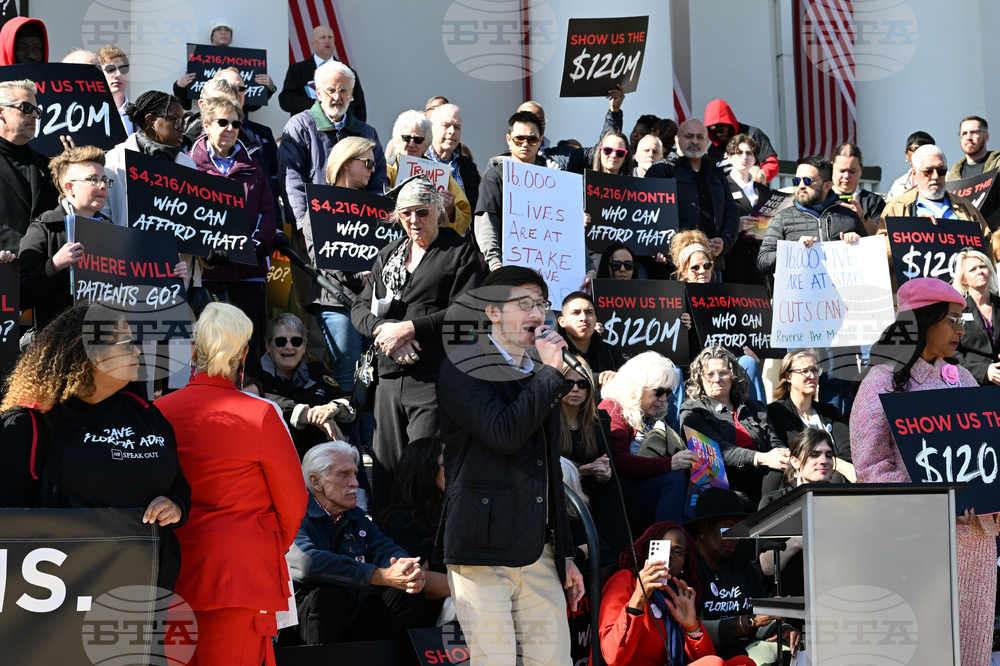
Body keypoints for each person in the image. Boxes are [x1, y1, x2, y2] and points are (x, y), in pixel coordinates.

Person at [437, 265, 584, 666]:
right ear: (492, 312)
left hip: (538, 549)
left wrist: (566, 554)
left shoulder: (539, 372)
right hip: (481, 548)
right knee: (495, 661)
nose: (536, 313)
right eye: (523, 303)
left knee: (555, 660)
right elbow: (503, 433)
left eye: (541, 303)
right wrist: (552, 373)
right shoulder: (464, 365)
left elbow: (549, 468)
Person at [851, 277, 998, 665]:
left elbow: (990, 455)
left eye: (963, 319)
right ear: (924, 321)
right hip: (918, 539)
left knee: (971, 651)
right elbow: (870, 466)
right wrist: (933, 504)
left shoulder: (963, 377)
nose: (961, 329)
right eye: (953, 319)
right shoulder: (881, 382)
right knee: (926, 651)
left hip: (976, 540)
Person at [155, 303, 307, 666]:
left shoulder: (160, 411)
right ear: (243, 354)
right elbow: (293, 503)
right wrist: (260, 544)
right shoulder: (260, 414)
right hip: (241, 577)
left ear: (194, 350)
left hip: (174, 571)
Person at [0, 303, 190, 591]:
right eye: (126, 343)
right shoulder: (29, 425)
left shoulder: (145, 412)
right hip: (64, 604)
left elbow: (177, 482)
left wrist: (175, 506)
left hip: (146, 598)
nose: (137, 351)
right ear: (93, 355)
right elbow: (10, 523)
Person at [351, 175, 482, 510]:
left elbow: (467, 315)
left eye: (421, 212)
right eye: (406, 213)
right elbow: (359, 308)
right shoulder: (390, 253)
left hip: (433, 378)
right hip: (388, 377)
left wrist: (410, 328)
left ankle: (428, 552)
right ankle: (388, 549)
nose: (414, 220)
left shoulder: (460, 253)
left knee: (426, 468)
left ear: (438, 209)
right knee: (386, 469)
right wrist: (388, 333)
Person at [19, 145, 187, 331]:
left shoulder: (115, 233)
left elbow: (135, 295)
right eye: (94, 179)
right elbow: (20, 296)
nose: (103, 186)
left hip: (108, 342)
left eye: (106, 180)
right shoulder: (46, 228)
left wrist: (169, 277)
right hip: (62, 345)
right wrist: (55, 265)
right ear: (70, 187)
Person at [289, 441, 426, 644]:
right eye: (344, 474)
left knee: (408, 591)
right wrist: (377, 575)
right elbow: (307, 563)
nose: (355, 482)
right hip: (302, 619)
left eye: (355, 473)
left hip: (351, 612)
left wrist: (405, 568)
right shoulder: (294, 513)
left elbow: (384, 547)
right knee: (331, 593)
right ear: (316, 482)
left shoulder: (355, 516)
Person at [188, 95, 277, 355]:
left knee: (247, 340)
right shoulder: (188, 164)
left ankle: (248, 387)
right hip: (206, 270)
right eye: (223, 122)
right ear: (206, 125)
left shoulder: (254, 165)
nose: (230, 129)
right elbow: (185, 214)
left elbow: (267, 212)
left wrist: (247, 249)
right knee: (210, 341)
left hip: (248, 269)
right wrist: (206, 250)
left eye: (236, 124)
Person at [599, 520, 754, 666]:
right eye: (663, 548)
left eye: (678, 552)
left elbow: (705, 657)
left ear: (683, 566)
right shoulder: (626, 580)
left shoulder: (677, 594)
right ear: (648, 551)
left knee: (744, 662)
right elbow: (613, 658)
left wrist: (692, 627)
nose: (670, 555)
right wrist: (638, 597)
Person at [279, 60, 385, 251]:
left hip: (357, 231)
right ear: (318, 93)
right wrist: (304, 227)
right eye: (331, 90)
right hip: (312, 230)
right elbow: (292, 181)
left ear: (352, 94)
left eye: (343, 90)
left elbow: (378, 184)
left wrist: (373, 227)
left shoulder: (367, 133)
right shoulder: (299, 127)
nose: (337, 97)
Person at [688, 487, 797, 665]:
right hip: (705, 653)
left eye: (739, 530)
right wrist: (748, 622)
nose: (736, 538)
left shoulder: (740, 561)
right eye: (729, 528)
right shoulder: (686, 564)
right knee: (768, 656)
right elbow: (693, 628)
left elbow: (760, 614)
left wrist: (782, 629)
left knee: (792, 651)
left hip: (744, 644)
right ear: (704, 525)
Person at [679, 347, 788, 507]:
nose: (717, 379)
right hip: (724, 484)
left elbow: (774, 442)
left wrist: (784, 456)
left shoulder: (754, 407)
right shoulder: (692, 410)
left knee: (783, 471)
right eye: (710, 374)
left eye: (723, 373)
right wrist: (761, 458)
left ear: (733, 376)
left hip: (760, 479)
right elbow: (717, 450)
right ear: (700, 378)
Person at [598, 351, 695, 528]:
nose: (664, 399)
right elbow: (618, 461)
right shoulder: (613, 406)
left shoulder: (657, 414)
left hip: (652, 488)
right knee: (675, 480)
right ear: (637, 387)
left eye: (668, 393)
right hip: (625, 494)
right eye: (658, 392)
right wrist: (669, 464)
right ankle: (667, 547)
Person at [254, 313, 356, 459]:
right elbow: (268, 403)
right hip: (279, 454)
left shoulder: (316, 371)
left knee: (345, 428)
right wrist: (310, 415)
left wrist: (335, 409)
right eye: (281, 341)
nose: (288, 346)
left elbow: (346, 399)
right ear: (268, 345)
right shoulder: (257, 377)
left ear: (304, 346)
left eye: (296, 341)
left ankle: (351, 481)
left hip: (316, 452)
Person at [647, 119, 740, 277]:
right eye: (689, 136)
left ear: (707, 141)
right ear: (677, 140)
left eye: (700, 137)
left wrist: (725, 242)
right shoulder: (661, 171)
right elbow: (648, 217)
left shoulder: (716, 172)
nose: (694, 141)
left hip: (711, 266)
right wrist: (659, 248)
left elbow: (731, 212)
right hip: (673, 266)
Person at [559, 354, 630, 554]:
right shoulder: (548, 419)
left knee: (613, 491)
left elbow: (608, 460)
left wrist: (604, 470)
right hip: (562, 488)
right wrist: (582, 470)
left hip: (594, 486)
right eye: (568, 383)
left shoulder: (598, 419)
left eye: (582, 384)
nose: (575, 389)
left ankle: (620, 558)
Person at [757, 429, 838, 598]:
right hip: (793, 603)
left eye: (829, 455)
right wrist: (798, 541)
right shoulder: (774, 503)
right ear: (794, 461)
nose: (824, 461)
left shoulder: (843, 502)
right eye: (814, 455)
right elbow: (766, 566)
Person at [379, 438, 451, 627]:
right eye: (447, 464)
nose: (456, 470)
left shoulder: (462, 512)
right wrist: (484, 588)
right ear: (426, 471)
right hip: (431, 627)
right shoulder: (401, 520)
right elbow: (421, 581)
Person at [757, 155, 865, 275]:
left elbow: (870, 259)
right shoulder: (782, 218)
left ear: (827, 186)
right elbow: (763, 261)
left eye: (808, 181)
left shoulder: (849, 216)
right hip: (800, 292)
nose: (801, 185)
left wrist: (859, 243)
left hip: (841, 292)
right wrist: (794, 251)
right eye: (797, 181)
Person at [103, 91, 196, 225]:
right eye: (176, 120)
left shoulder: (188, 165)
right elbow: (103, 215)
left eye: (183, 121)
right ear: (151, 120)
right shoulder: (112, 161)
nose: (182, 128)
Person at [766, 349, 854, 483]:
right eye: (805, 371)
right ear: (788, 376)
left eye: (814, 370)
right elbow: (801, 452)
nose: (812, 376)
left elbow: (849, 450)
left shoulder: (829, 411)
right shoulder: (778, 410)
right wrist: (842, 466)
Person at [385, 109, 471, 235]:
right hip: (392, 238)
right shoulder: (386, 169)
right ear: (397, 140)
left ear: (427, 144)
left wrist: (451, 210)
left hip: (432, 245)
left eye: (418, 140)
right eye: (406, 138)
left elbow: (465, 217)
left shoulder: (441, 174)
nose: (412, 144)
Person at [0, 79, 59, 253]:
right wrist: (25, 248)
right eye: (26, 108)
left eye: (37, 110)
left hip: (43, 271)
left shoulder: (46, 165)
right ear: (1, 112)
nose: (34, 115)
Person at [881, 145, 989, 239]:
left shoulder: (966, 207)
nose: (935, 176)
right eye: (928, 171)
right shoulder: (896, 208)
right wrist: (912, 231)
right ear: (914, 173)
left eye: (941, 170)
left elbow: (987, 244)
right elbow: (881, 254)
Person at [174, 21, 277, 112]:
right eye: (218, 29)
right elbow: (186, 105)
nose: (223, 32)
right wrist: (179, 86)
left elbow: (253, 105)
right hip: (205, 117)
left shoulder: (246, 62)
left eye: (227, 30)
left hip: (237, 121)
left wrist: (269, 88)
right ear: (211, 36)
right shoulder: (197, 60)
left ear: (231, 38)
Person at [279, 25, 366, 121]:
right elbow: (286, 100)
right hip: (309, 129)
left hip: (343, 131)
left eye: (330, 37)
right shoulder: (297, 70)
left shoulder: (348, 72)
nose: (327, 41)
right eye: (322, 38)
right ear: (313, 43)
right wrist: (315, 103)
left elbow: (360, 108)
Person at [723, 133, 770, 286]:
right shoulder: (720, 186)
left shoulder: (764, 190)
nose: (744, 157)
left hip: (761, 262)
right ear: (729, 157)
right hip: (732, 261)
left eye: (749, 153)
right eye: (739, 152)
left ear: (755, 159)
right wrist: (735, 225)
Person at [953, 248, 1000, 385]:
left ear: (990, 271)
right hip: (973, 384)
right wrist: (984, 371)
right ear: (963, 279)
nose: (980, 271)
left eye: (983, 266)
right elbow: (952, 352)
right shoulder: (956, 310)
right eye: (972, 269)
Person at [704, 98, 779, 182]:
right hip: (727, 193)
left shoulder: (754, 135)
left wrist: (756, 179)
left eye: (721, 130)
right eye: (714, 132)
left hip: (753, 190)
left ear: (729, 124)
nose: (718, 134)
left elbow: (772, 165)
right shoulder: (713, 149)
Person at [557, 291, 625, 383]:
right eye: (576, 313)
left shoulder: (611, 353)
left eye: (589, 312)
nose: (584, 318)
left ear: (595, 320)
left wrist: (618, 377)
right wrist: (599, 378)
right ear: (562, 321)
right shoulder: (554, 353)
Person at [427, 103, 480, 210]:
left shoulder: (468, 168)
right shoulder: (417, 161)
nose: (452, 131)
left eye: (457, 127)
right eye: (446, 125)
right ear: (431, 128)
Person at [830, 143, 884, 236]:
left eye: (852, 171)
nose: (846, 176)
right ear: (832, 167)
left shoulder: (874, 202)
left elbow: (883, 238)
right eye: (842, 171)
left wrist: (863, 216)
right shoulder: (820, 200)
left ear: (861, 170)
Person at [95, 45, 132, 135]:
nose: (118, 74)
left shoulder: (140, 114)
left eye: (123, 69)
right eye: (110, 69)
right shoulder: (89, 113)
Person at [888, 131, 935, 199]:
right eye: (916, 150)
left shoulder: (946, 180)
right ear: (907, 154)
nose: (921, 154)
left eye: (926, 150)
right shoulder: (899, 185)